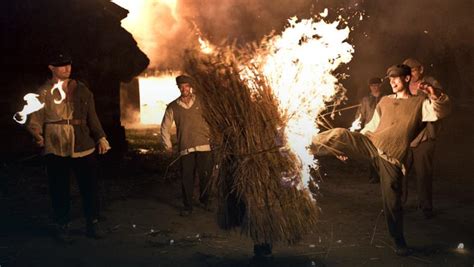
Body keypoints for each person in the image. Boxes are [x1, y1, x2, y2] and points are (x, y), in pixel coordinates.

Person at [311, 64, 450, 256]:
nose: (391, 82)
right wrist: (347, 147)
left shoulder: (419, 103)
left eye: (396, 78)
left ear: (407, 79)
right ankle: (302, 144)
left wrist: (435, 95)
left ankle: (398, 241)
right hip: (371, 144)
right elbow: (371, 127)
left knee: (392, 201)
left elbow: (441, 111)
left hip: (392, 157)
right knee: (340, 134)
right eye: (390, 78)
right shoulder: (384, 101)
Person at [27, 51, 111, 242]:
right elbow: (35, 119)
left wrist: (101, 137)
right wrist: (37, 134)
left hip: (82, 143)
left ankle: (93, 223)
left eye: (69, 64)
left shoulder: (82, 89)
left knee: (89, 187)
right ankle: (62, 224)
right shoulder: (43, 92)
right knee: (59, 188)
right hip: (55, 144)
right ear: (51, 68)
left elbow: (92, 116)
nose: (67, 68)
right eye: (62, 65)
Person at [161, 75, 213, 217]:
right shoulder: (173, 106)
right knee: (187, 178)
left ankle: (205, 200)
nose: (184, 88)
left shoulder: (202, 102)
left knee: (205, 176)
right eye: (181, 86)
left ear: (191, 87)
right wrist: (168, 145)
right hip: (186, 147)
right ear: (178, 88)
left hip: (204, 145)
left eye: (186, 86)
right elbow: (164, 127)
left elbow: (212, 119)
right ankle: (188, 206)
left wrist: (212, 136)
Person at [403, 58, 443, 219]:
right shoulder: (402, 84)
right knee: (400, 172)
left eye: (413, 70)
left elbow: (439, 98)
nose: (411, 74)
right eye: (408, 71)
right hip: (405, 136)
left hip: (425, 136)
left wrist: (429, 90)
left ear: (421, 69)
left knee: (424, 174)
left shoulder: (430, 82)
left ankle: (426, 207)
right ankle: (399, 203)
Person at [355, 77, 385, 183]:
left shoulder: (386, 98)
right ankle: (374, 175)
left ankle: (384, 175)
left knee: (382, 153)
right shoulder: (366, 100)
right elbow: (360, 115)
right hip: (369, 130)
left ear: (380, 85)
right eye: (372, 86)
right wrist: (356, 127)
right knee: (372, 154)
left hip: (383, 129)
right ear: (370, 87)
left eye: (377, 85)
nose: (375, 87)